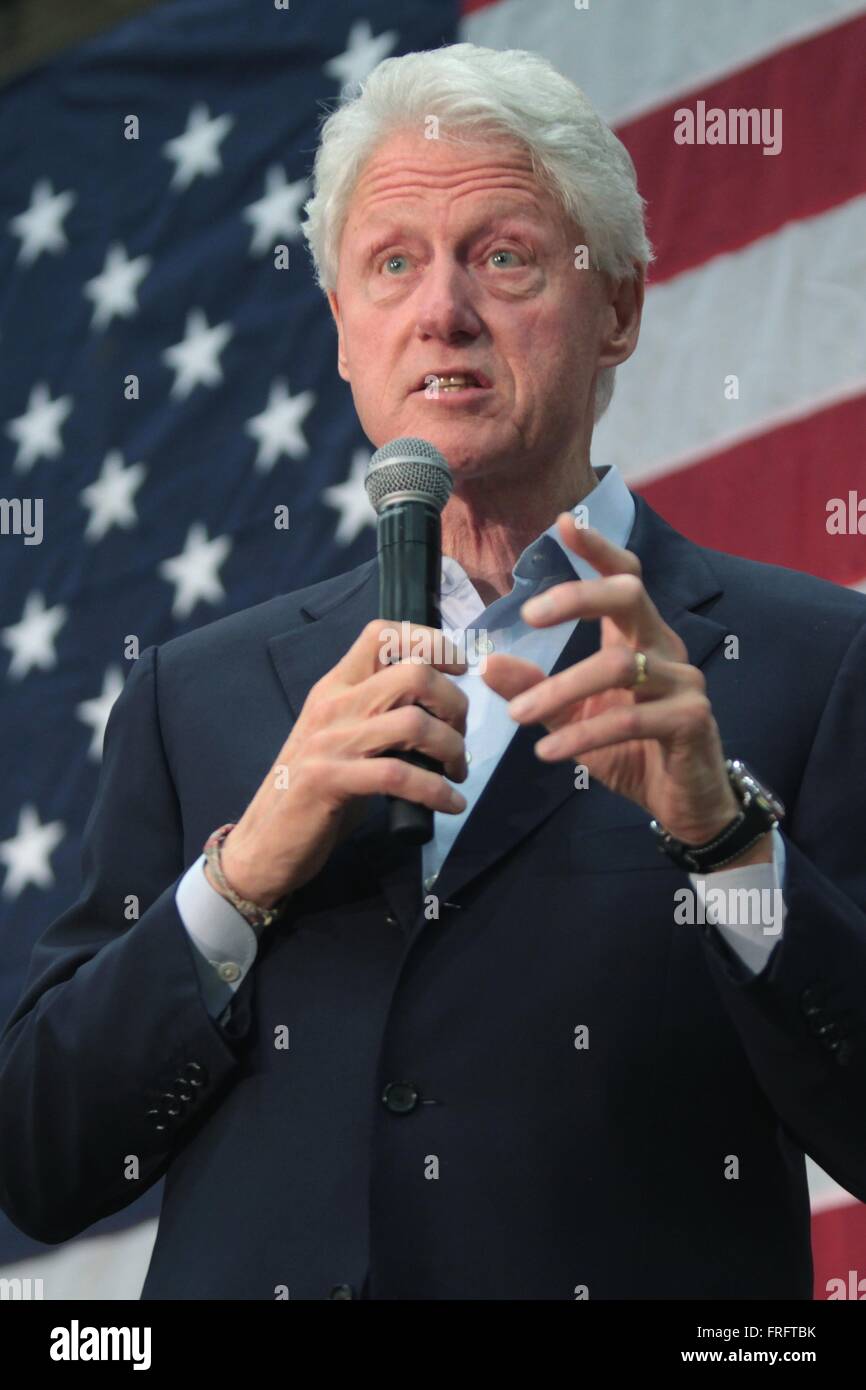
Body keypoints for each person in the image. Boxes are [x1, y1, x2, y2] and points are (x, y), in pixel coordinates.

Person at [1, 43, 865, 1301]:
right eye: (391, 264)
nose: (441, 310)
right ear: (345, 333)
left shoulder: (807, 662)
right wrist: (238, 880)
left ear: (616, 307)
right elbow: (42, 1157)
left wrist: (726, 842)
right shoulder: (198, 696)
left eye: (502, 255)